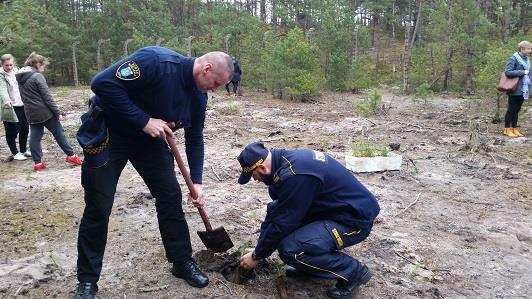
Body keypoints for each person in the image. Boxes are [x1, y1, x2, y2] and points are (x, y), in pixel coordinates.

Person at [73, 46, 233, 299]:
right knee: (98, 206)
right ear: (207, 68)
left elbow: (195, 139)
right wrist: (144, 121)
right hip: (111, 134)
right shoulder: (155, 62)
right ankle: (87, 280)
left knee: (170, 196)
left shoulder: (198, 97)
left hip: (149, 143)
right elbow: (101, 83)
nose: (214, 90)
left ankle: (181, 261)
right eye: (215, 83)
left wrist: (198, 182)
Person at [237, 142, 380, 299]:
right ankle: (310, 267)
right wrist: (259, 249)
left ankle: (353, 272)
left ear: (263, 168)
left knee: (291, 249)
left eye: (254, 176)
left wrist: (256, 256)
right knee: (284, 236)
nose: (256, 180)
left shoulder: (296, 176)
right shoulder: (283, 166)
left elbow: (283, 223)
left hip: (353, 220)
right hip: (331, 212)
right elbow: (275, 214)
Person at [15, 52, 82, 171]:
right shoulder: (36, 76)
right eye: (43, 65)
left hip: (30, 112)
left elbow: (23, 96)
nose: (44, 68)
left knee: (35, 137)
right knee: (59, 133)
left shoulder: (20, 78)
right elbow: (47, 97)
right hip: (45, 112)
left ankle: (38, 163)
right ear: (38, 64)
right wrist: (57, 112)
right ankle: (71, 156)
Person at [0, 54, 30, 161]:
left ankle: (23, 150)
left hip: (22, 104)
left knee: (25, 128)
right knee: (12, 131)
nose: (9, 67)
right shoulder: (1, 75)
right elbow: (2, 89)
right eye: (6, 65)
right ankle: (15, 152)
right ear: (1, 64)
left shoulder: (17, 72)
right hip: (10, 107)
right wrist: (6, 100)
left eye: (10, 65)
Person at [503, 40, 531, 137]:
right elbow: (508, 72)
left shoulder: (527, 60)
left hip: (523, 89)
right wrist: (522, 72)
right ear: (522, 49)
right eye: (528, 49)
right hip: (514, 88)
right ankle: (506, 129)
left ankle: (514, 129)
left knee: (517, 110)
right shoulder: (513, 59)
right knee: (511, 109)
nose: (530, 50)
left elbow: (529, 73)